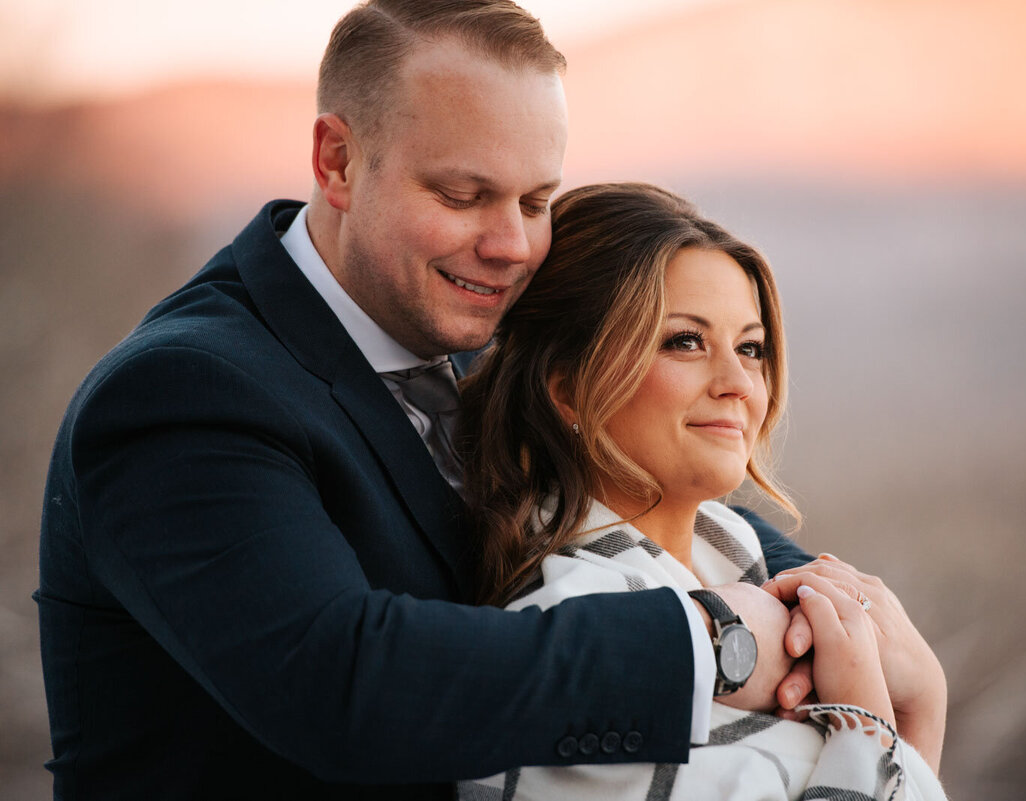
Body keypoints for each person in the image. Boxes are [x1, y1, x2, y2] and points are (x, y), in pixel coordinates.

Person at [35, 2, 816, 799]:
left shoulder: (475, 327)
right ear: (337, 160)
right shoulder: (182, 395)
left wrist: (830, 599)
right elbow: (347, 684)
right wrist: (708, 642)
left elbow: (645, 471)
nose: (511, 245)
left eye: (536, 201)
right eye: (462, 194)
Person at [455, 182, 948, 800]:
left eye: (751, 347)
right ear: (568, 388)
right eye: (685, 341)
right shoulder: (573, 642)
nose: (738, 381)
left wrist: (923, 697)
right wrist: (871, 721)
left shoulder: (760, 572)